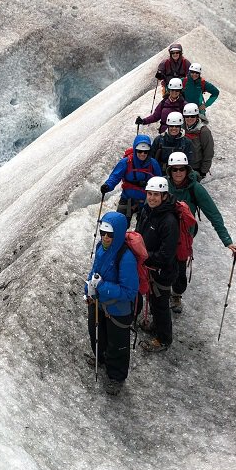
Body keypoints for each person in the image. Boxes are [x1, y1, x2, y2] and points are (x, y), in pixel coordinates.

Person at [166, 152, 236, 314]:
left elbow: (214, 214)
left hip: (184, 234)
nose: (178, 173)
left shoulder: (195, 189)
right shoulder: (163, 185)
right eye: (175, 169)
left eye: (181, 169)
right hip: (164, 232)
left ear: (187, 170)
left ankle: (176, 294)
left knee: (179, 268)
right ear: (169, 171)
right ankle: (161, 294)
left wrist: (227, 240)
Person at [85, 211, 139, 396]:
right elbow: (94, 271)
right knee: (97, 333)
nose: (106, 237)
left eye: (110, 234)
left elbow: (130, 292)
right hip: (99, 303)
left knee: (118, 344)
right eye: (103, 233)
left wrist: (102, 286)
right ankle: (101, 358)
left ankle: (116, 377)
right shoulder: (102, 248)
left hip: (118, 309)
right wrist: (89, 288)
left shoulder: (126, 258)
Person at [135, 176, 179, 352]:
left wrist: (144, 256)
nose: (152, 198)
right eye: (150, 194)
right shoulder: (147, 211)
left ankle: (164, 339)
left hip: (162, 270)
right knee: (153, 300)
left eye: (156, 195)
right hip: (150, 267)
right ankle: (156, 327)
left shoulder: (169, 221)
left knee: (161, 304)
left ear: (164, 196)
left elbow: (166, 255)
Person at [101, 134, 162, 225]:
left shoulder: (153, 164)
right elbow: (115, 176)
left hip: (147, 201)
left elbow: (159, 182)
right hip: (127, 198)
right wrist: (108, 185)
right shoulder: (126, 162)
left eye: (145, 152)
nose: (142, 154)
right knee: (120, 224)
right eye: (140, 151)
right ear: (135, 150)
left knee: (143, 227)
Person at [182, 103, 214, 180]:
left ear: (197, 116)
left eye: (192, 116)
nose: (189, 118)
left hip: (195, 168)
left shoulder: (204, 131)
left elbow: (208, 152)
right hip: (180, 166)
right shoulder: (180, 127)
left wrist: (203, 171)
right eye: (187, 116)